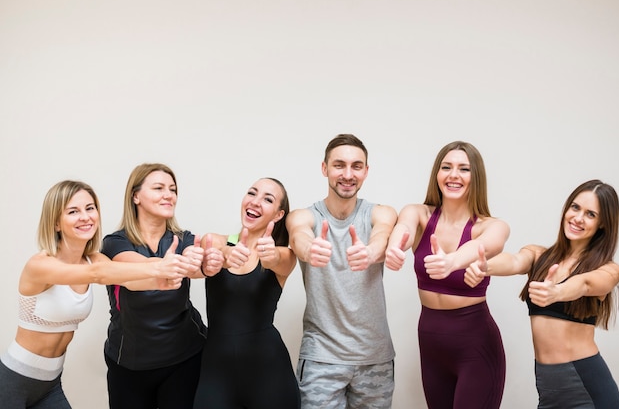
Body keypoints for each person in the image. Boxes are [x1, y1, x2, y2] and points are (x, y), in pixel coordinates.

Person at [0, 180, 196, 408]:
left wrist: (165, 278)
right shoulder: (41, 265)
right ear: (55, 223)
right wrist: (159, 267)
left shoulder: (94, 258)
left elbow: (129, 280)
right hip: (12, 381)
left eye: (90, 208)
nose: (85, 217)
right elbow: (97, 274)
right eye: (73, 211)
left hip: (49, 385)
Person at [465, 179, 619, 408]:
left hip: (586, 389)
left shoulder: (609, 270)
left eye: (591, 214)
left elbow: (585, 284)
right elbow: (514, 261)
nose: (578, 218)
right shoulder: (539, 256)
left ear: (603, 225)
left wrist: (557, 291)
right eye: (575, 207)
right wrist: (483, 266)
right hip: (548, 388)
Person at [385, 141, 509, 409]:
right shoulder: (418, 213)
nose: (454, 175)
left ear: (476, 177)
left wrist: (452, 261)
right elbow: (403, 228)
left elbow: (483, 246)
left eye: (464, 169)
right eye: (447, 167)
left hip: (476, 348)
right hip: (431, 347)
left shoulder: (492, 226)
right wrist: (394, 248)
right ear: (436, 174)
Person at [286, 133, 398, 409]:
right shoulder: (305, 216)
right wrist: (309, 249)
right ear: (324, 168)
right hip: (321, 358)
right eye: (339, 165)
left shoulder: (380, 213)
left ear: (366, 172)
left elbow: (383, 232)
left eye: (356, 166)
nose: (348, 174)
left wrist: (371, 252)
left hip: (375, 357)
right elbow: (298, 236)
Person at [101, 163, 222, 409]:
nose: (169, 195)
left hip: (184, 357)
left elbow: (197, 260)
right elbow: (134, 272)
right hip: (129, 363)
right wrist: (168, 265)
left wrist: (208, 262)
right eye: (158, 188)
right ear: (136, 196)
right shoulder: (115, 243)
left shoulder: (184, 238)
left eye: (173, 189)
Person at [192, 177, 300, 409]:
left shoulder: (282, 254)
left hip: (269, 372)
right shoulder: (216, 241)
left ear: (278, 215)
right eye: (252, 193)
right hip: (216, 371)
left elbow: (281, 259)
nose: (256, 202)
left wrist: (270, 256)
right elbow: (212, 248)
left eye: (268, 199)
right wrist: (223, 255)